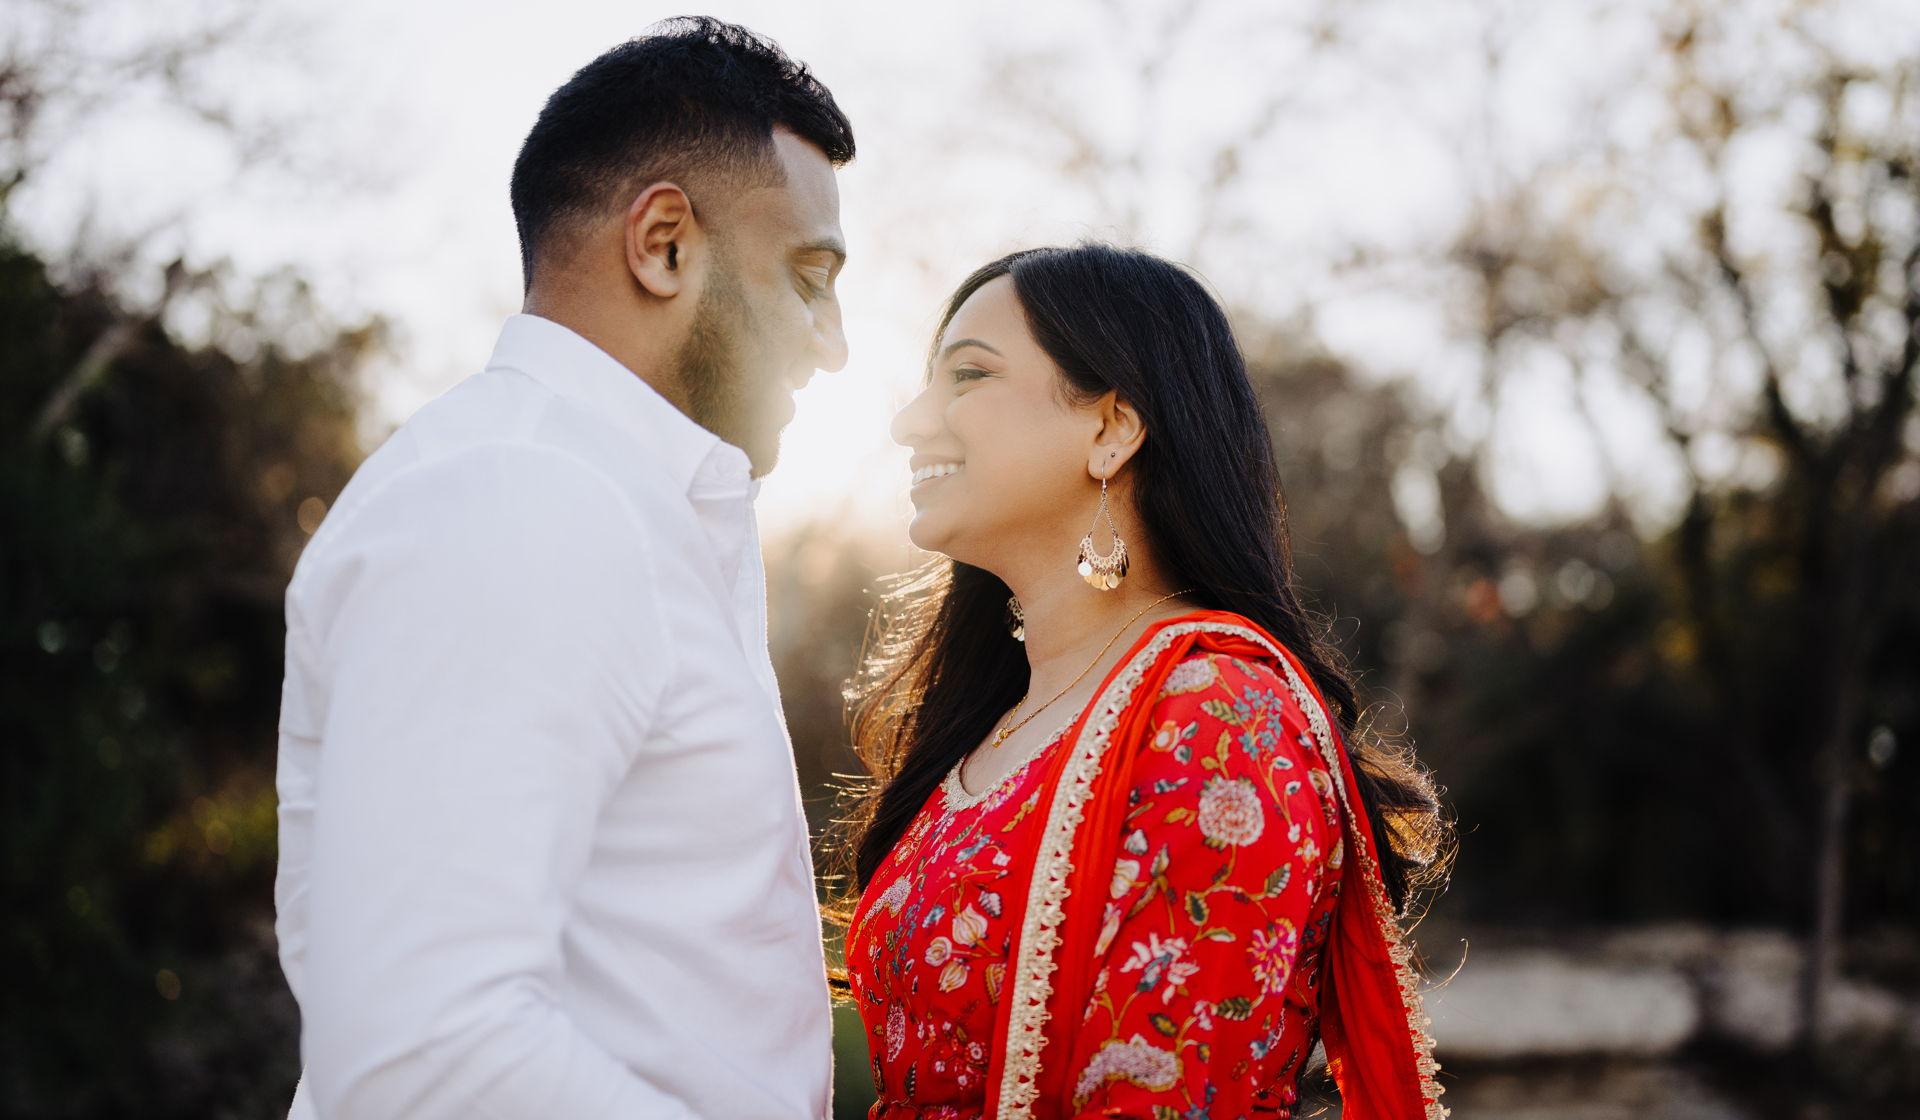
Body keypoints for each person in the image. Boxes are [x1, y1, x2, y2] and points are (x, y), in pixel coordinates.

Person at [273, 18, 852, 1118]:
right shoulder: (519, 496)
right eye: (808, 277)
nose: (833, 343)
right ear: (664, 244)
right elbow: (422, 1053)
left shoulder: (613, 503)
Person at [841, 244, 1454, 1119]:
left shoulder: (1220, 714)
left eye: (968, 376)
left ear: (1112, 429)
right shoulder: (998, 722)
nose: (910, 422)